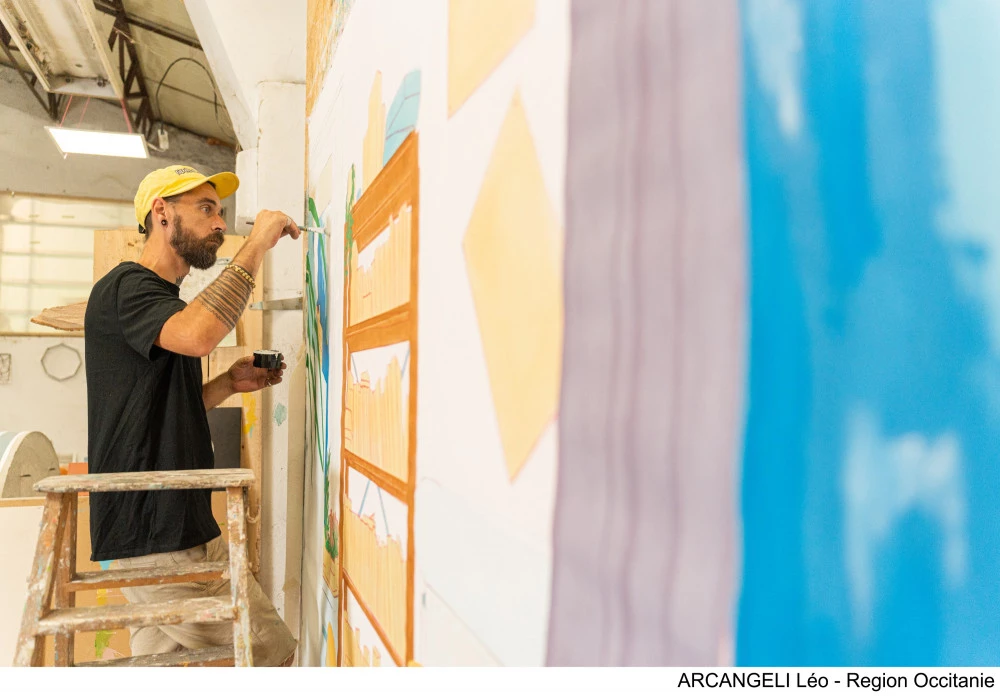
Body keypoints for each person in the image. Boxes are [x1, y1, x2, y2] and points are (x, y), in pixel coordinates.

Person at [84, 164, 300, 665]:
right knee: (270, 652)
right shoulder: (128, 288)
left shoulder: (163, 303)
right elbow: (201, 334)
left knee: (164, 669)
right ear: (161, 212)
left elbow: (159, 414)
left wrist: (227, 384)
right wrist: (257, 244)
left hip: (176, 525)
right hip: (155, 531)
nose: (219, 223)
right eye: (206, 209)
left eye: (220, 211)